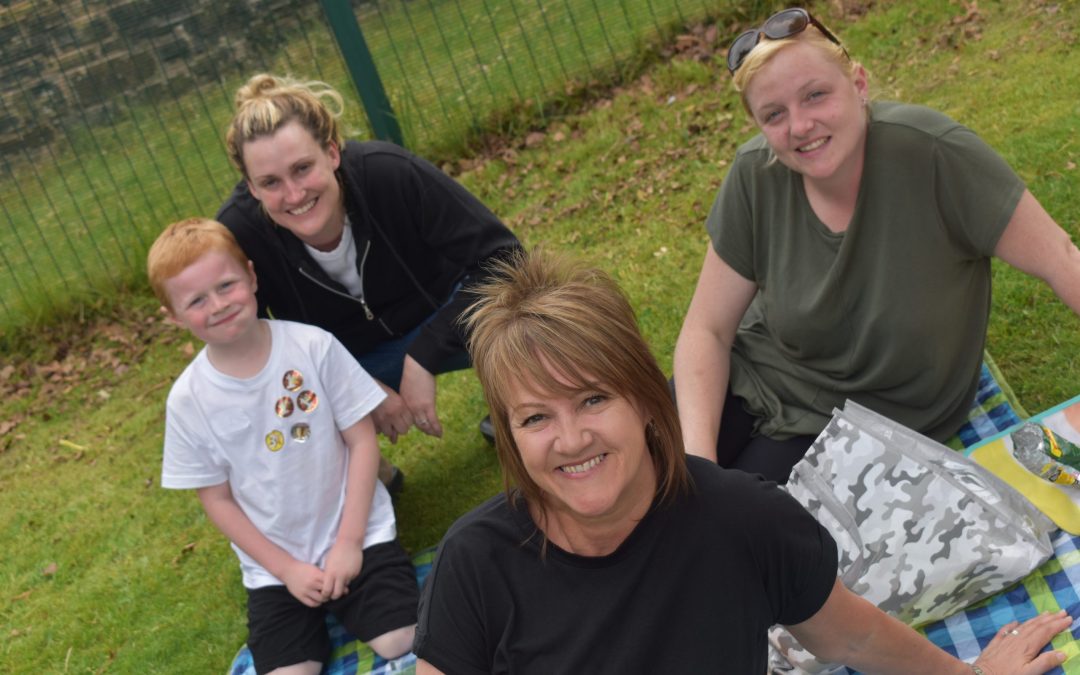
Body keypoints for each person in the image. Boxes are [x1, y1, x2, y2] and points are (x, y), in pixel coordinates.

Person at [412, 248, 1071, 674]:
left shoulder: (743, 518)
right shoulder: (476, 563)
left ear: (645, 399)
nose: (571, 438)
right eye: (535, 417)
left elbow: (852, 637)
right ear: (510, 437)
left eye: (592, 399)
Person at [673, 7, 1080, 483]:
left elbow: (1061, 260)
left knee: (742, 520)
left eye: (815, 95)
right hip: (754, 371)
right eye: (774, 114)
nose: (800, 125)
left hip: (866, 424)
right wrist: (699, 465)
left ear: (859, 85)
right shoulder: (755, 175)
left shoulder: (936, 155)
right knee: (649, 479)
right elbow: (708, 331)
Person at [216, 73, 522, 485]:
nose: (294, 194)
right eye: (270, 182)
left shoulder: (388, 172)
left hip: (442, 311)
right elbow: (248, 348)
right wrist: (351, 384)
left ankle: (524, 412)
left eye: (302, 168)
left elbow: (505, 259)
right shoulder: (240, 234)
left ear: (331, 152)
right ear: (251, 187)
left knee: (532, 307)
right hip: (345, 359)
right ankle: (370, 483)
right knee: (278, 407)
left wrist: (424, 355)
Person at [148, 218, 418, 674]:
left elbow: (361, 440)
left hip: (357, 536)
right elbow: (217, 499)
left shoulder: (312, 347)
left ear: (252, 277)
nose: (218, 305)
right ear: (173, 316)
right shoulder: (188, 400)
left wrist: (349, 543)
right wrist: (286, 570)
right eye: (196, 300)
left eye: (226, 285)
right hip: (274, 569)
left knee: (401, 640)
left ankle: (366, 593)